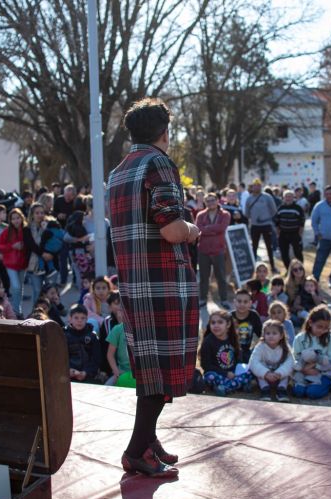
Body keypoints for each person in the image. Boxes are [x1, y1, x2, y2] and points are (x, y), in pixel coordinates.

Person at [107, 98, 199, 478]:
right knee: (160, 369)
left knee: (149, 367)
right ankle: (136, 450)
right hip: (162, 282)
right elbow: (172, 229)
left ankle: (148, 441)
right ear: (165, 131)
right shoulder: (158, 163)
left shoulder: (118, 171)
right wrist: (193, 230)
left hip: (134, 281)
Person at [199, 309, 251, 397]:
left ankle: (224, 387)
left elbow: (238, 357)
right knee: (209, 377)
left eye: (220, 322)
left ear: (228, 324)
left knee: (249, 371)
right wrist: (225, 374)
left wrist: (236, 371)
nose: (216, 325)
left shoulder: (232, 338)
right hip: (217, 374)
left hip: (233, 374)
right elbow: (206, 366)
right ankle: (237, 385)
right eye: (213, 323)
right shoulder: (208, 342)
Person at [292, 305, 331, 399]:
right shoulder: (299, 338)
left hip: (323, 373)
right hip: (302, 372)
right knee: (298, 392)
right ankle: (304, 385)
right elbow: (295, 358)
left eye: (326, 328)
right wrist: (303, 369)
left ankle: (328, 385)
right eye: (319, 326)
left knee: (312, 393)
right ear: (310, 323)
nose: (322, 330)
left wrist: (316, 368)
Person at [196, 192, 231, 307]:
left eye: (212, 200)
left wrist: (207, 229)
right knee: (203, 277)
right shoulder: (200, 215)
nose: (210, 203)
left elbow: (222, 228)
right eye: (208, 201)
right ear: (205, 202)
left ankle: (224, 299)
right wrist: (212, 230)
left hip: (218, 250)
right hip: (203, 250)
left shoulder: (225, 214)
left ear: (217, 201)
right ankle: (202, 299)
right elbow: (199, 229)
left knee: (221, 277)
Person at [248, 319, 294, 402]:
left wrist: (279, 373)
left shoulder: (285, 347)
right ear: (263, 335)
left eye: (274, 333)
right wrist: (265, 373)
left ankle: (282, 389)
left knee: (287, 371)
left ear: (281, 336)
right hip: (265, 377)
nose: (270, 336)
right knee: (258, 369)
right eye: (268, 333)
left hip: (279, 376)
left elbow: (290, 362)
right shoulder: (260, 347)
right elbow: (253, 361)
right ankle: (265, 389)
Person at [0, 208, 28, 317]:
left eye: (18, 218)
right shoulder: (7, 231)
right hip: (11, 264)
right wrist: (12, 246)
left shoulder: (26, 230)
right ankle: (15, 310)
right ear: (10, 220)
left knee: (19, 287)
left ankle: (17, 308)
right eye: (13, 219)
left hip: (23, 263)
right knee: (16, 286)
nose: (16, 221)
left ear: (22, 218)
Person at [23, 203, 55, 304]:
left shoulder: (50, 225)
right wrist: (43, 254)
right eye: (37, 213)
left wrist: (45, 230)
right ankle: (36, 314)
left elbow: (53, 242)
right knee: (37, 290)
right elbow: (31, 245)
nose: (40, 215)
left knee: (49, 291)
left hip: (48, 264)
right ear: (32, 214)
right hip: (33, 264)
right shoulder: (26, 229)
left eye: (42, 212)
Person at [244, 179, 278, 273]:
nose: (256, 187)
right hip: (255, 226)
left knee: (269, 247)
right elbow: (247, 213)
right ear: (252, 187)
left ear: (261, 186)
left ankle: (273, 266)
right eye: (255, 186)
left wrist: (265, 218)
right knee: (254, 247)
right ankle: (253, 267)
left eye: (258, 185)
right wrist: (254, 218)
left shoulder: (267, 197)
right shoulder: (249, 198)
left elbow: (274, 210)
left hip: (266, 225)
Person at [64, 303, 102, 383]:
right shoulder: (63, 336)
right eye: (76, 318)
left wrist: (86, 372)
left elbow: (96, 359)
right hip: (68, 374)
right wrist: (68, 370)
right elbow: (60, 357)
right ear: (70, 319)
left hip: (88, 374)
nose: (79, 321)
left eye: (83, 318)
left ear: (87, 319)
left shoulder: (92, 336)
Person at [274, 189, 305, 268]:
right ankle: (288, 270)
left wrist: (300, 234)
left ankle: (300, 269)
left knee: (297, 252)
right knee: (284, 253)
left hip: (295, 233)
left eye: (290, 196)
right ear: (283, 198)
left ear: (293, 197)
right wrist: (278, 234)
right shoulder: (280, 208)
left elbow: (302, 222)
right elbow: (277, 222)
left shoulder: (298, 208)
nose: (288, 198)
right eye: (286, 197)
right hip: (283, 234)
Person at [53, 184, 77, 285]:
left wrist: (67, 217)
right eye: (66, 196)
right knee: (63, 259)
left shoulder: (76, 203)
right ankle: (63, 281)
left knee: (74, 260)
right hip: (61, 232)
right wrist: (58, 215)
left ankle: (76, 280)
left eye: (70, 196)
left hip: (73, 233)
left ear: (73, 196)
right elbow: (52, 213)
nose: (67, 198)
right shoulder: (58, 200)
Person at [232, 288, 262, 363]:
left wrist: (256, 349)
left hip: (247, 351)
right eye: (239, 301)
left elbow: (262, 335)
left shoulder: (253, 316)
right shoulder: (229, 317)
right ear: (234, 302)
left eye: (245, 302)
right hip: (231, 351)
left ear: (250, 303)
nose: (242, 304)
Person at [105, 308, 131, 386]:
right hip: (122, 372)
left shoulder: (145, 329)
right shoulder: (117, 329)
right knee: (105, 389)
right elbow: (110, 355)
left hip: (141, 374)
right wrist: (116, 372)